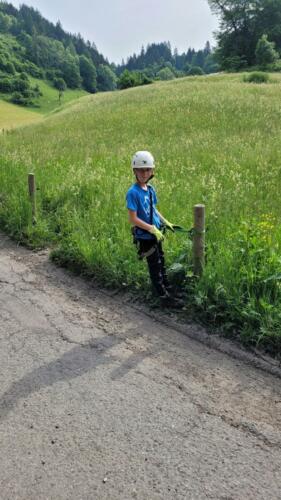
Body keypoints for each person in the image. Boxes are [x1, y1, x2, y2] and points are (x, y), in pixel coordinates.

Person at [126, 150, 184, 308]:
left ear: (152, 171)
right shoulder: (132, 193)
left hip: (156, 233)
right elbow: (133, 218)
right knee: (155, 265)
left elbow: (153, 209)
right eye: (140, 170)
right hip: (146, 236)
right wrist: (151, 228)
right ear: (134, 171)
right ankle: (163, 297)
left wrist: (166, 222)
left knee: (162, 261)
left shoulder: (150, 190)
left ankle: (168, 289)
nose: (144, 173)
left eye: (147, 170)